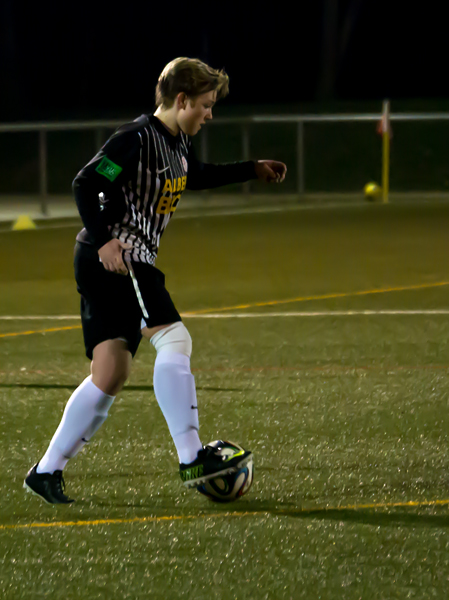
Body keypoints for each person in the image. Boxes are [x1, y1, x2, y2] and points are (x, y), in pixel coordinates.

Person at [24, 57, 287, 503]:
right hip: (119, 257)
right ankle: (191, 457)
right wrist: (107, 241)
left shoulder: (176, 143)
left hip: (113, 259)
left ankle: (46, 471)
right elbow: (86, 182)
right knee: (175, 338)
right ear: (180, 99)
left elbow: (194, 175)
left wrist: (251, 168)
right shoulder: (136, 139)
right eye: (205, 105)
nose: (209, 114)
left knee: (110, 372)